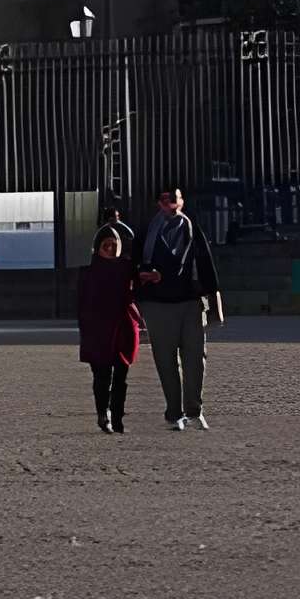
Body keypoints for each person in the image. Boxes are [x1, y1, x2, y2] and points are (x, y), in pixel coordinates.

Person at [135, 183, 223, 430]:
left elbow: (206, 265)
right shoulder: (147, 231)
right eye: (164, 199)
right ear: (157, 203)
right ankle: (175, 413)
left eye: (174, 198)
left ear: (182, 201)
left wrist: (214, 300)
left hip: (190, 302)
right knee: (166, 362)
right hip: (158, 304)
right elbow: (135, 264)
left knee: (196, 360)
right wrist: (144, 277)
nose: (169, 203)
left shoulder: (192, 228)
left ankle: (194, 410)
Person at [77, 223, 143, 434]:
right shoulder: (88, 272)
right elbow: (81, 303)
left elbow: (138, 290)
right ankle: (102, 414)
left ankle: (117, 418)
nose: (111, 250)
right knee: (102, 376)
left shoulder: (127, 267)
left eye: (114, 246)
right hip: (98, 330)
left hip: (122, 328)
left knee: (121, 378)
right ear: (98, 247)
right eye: (106, 246)